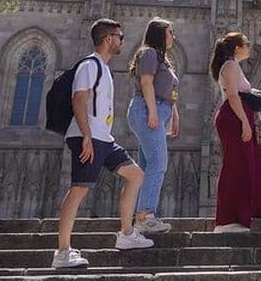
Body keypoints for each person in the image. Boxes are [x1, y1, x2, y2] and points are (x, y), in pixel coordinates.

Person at [52, 19, 153, 269]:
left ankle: (127, 234)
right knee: (79, 190)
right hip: (89, 137)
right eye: (119, 36)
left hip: (103, 138)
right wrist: (86, 135)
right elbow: (79, 100)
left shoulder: (104, 68)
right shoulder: (89, 65)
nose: (121, 40)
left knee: (135, 175)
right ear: (108, 39)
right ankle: (62, 252)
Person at [210, 32, 261, 233]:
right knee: (237, 166)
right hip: (235, 118)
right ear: (237, 47)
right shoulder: (230, 65)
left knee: (257, 161)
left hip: (239, 116)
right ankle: (228, 220)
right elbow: (233, 96)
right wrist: (245, 121)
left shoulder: (232, 65)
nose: (250, 47)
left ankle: (248, 213)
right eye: (247, 44)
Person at [126, 17, 180, 234]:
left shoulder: (162, 58)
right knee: (158, 162)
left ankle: (141, 215)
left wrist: (173, 114)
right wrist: (153, 112)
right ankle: (145, 215)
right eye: (170, 32)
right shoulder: (148, 52)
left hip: (157, 109)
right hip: (146, 110)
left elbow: (167, 90)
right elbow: (146, 82)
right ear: (159, 33)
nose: (173, 36)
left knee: (149, 165)